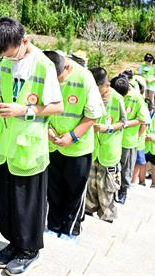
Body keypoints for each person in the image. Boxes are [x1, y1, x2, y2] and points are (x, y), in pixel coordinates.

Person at [0, 18, 63, 276]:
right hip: (6, 145)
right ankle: (14, 243)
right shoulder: (3, 62)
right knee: (10, 203)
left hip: (30, 148)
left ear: (25, 41)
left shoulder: (44, 66)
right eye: (5, 56)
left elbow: (57, 106)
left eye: (14, 55)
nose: (10, 60)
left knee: (28, 204)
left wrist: (24, 110)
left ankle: (30, 250)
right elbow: (0, 96)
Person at [44, 51, 103, 243]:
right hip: (53, 144)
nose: (57, 84)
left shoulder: (85, 78)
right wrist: (49, 131)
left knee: (74, 191)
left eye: (59, 79)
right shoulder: (44, 72)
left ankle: (70, 230)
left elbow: (93, 115)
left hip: (78, 148)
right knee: (53, 189)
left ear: (67, 68)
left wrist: (71, 137)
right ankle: (52, 226)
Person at [85, 71, 128, 223]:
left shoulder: (117, 99)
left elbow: (124, 122)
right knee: (91, 185)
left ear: (107, 85)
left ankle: (106, 218)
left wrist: (107, 128)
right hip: (93, 148)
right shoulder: (91, 95)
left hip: (109, 151)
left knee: (106, 188)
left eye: (99, 88)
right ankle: (88, 211)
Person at [116, 72, 150, 205]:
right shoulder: (116, 93)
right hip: (112, 138)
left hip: (128, 139)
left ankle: (123, 190)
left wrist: (125, 124)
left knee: (126, 167)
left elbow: (143, 120)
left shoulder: (137, 97)